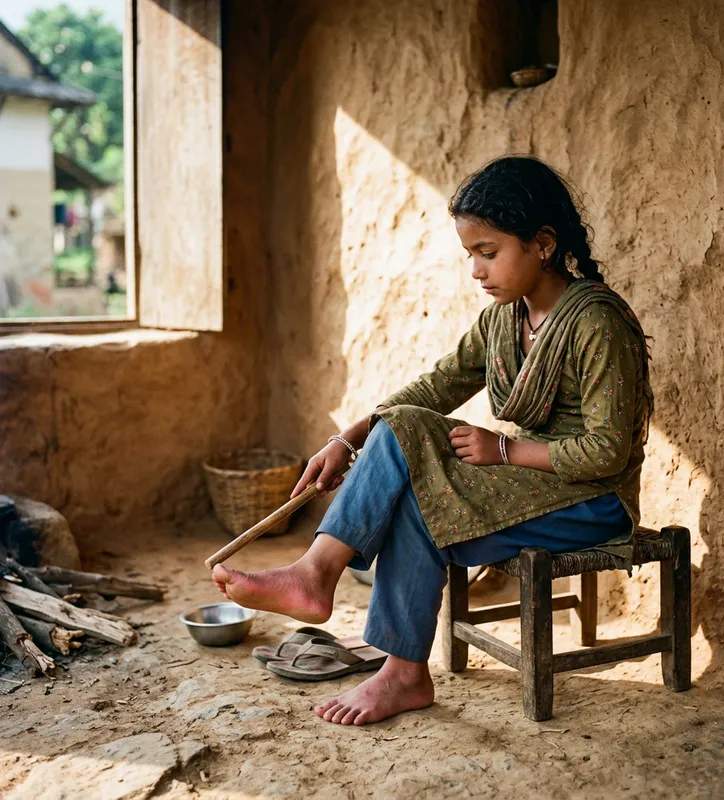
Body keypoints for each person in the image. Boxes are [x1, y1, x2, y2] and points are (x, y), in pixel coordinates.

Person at [212, 155, 653, 726]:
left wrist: (506, 451)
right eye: (471, 254)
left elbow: (607, 452)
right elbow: (437, 386)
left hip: (591, 501)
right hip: (535, 490)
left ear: (543, 243)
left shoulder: (598, 322)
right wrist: (346, 439)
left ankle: (321, 579)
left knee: (408, 434)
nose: (476, 270)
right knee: (409, 479)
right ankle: (403, 674)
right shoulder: (503, 320)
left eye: (488, 252)